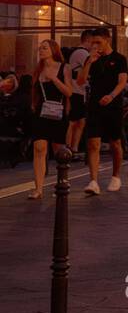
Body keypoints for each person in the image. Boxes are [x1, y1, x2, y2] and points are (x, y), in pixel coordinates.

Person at [78, 26, 128, 196]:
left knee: (115, 142)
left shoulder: (119, 59)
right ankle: (93, 180)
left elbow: (122, 81)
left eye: (98, 42)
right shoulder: (90, 59)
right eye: (92, 43)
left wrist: (111, 96)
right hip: (94, 104)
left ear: (107, 40)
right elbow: (80, 80)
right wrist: (89, 62)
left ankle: (116, 175)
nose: (95, 46)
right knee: (93, 142)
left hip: (113, 105)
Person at [30, 40, 72, 200]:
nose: (41, 50)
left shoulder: (64, 68)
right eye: (39, 48)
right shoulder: (38, 69)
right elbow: (34, 92)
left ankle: (61, 182)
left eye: (44, 48)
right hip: (41, 111)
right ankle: (38, 188)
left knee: (58, 150)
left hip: (58, 112)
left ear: (53, 50)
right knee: (39, 147)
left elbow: (68, 92)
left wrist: (54, 79)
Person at [64, 28, 92, 156]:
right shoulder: (82, 53)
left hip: (77, 90)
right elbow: (91, 70)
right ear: (88, 39)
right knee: (74, 121)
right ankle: (69, 148)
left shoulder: (78, 52)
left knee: (80, 121)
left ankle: (73, 148)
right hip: (76, 91)